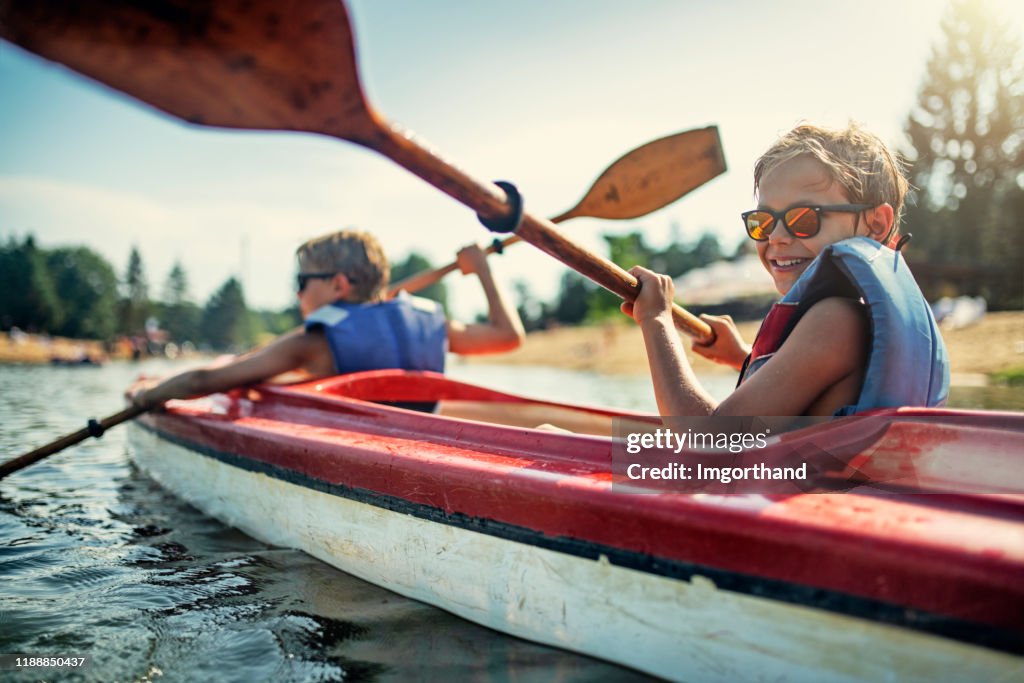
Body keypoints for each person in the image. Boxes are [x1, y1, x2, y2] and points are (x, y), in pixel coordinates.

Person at [622, 123, 949, 417]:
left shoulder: (835, 320)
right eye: (762, 222)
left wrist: (656, 320)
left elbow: (710, 446)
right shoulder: (850, 320)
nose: (776, 237)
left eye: (804, 218)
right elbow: (815, 392)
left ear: (875, 224)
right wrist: (744, 358)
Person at [130, 229, 525, 408]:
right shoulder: (430, 325)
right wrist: (483, 271)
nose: (297, 292)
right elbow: (508, 337)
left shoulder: (311, 343)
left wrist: (148, 394)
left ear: (338, 285)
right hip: (425, 445)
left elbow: (204, 381)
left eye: (302, 280)